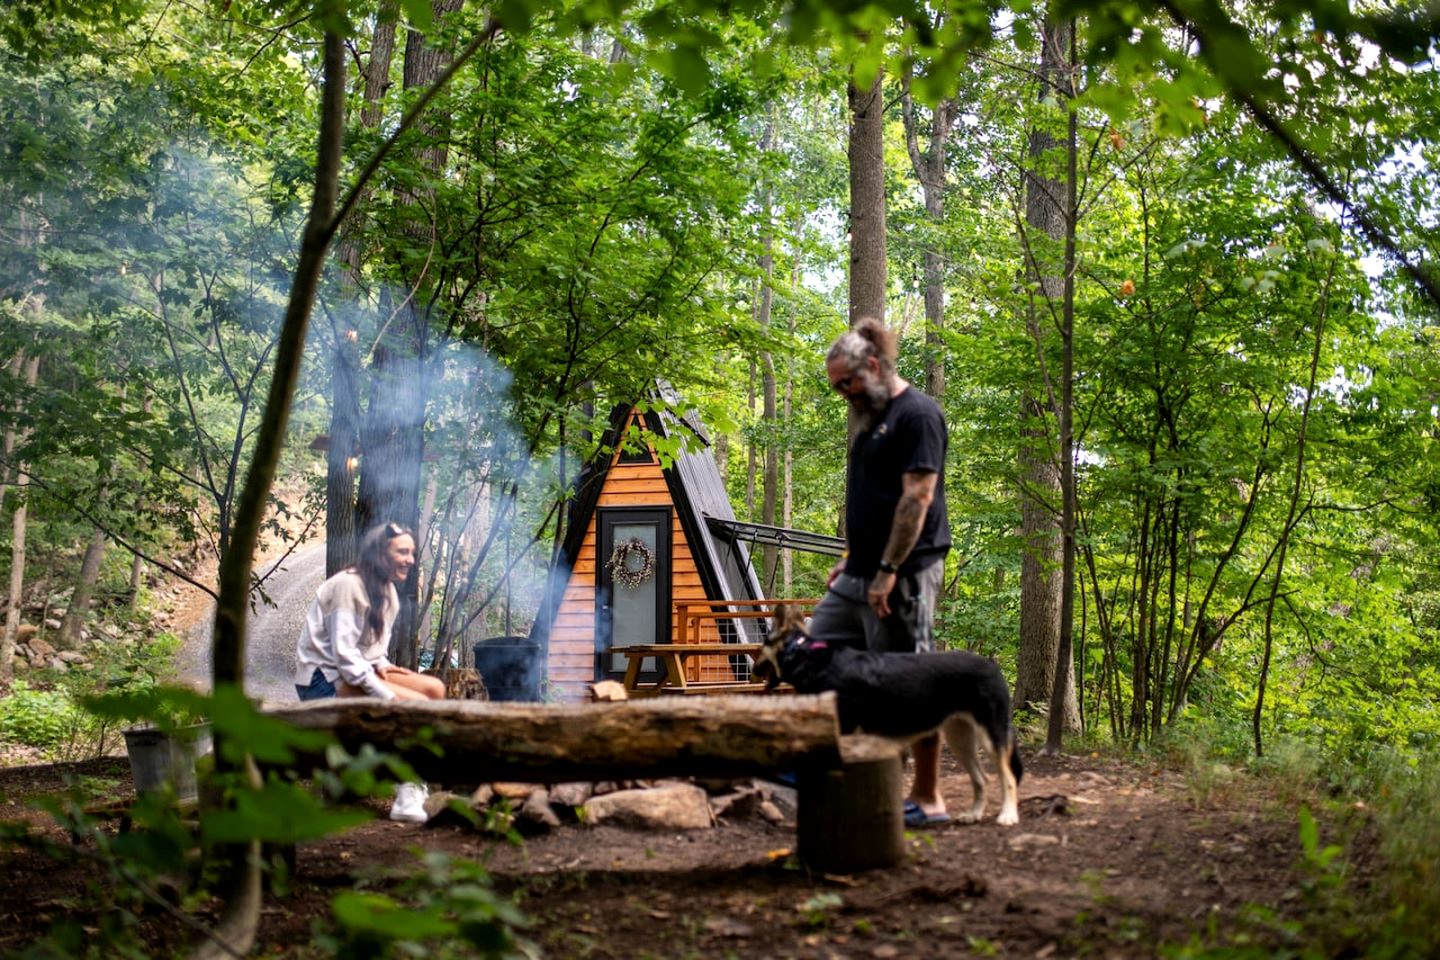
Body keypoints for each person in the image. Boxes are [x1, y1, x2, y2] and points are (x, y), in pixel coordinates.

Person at [810, 317, 954, 828]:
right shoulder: (872, 421)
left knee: (909, 680)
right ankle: (829, 764)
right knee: (812, 654)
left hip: (904, 572)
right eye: (836, 388)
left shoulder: (918, 415)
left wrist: (888, 569)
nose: (842, 394)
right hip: (861, 571)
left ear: (871, 366)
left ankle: (928, 797)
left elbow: (917, 498)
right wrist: (853, 557)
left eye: (845, 383)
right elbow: (869, 499)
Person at [294, 521, 444, 821]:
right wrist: (387, 697)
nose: (410, 560)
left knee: (435, 690)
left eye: (412, 553)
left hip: (353, 672)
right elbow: (346, 658)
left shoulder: (387, 592)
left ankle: (419, 775)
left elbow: (374, 651)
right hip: (321, 680)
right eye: (402, 552)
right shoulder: (349, 586)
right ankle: (406, 792)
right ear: (380, 552)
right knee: (416, 706)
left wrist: (385, 668)